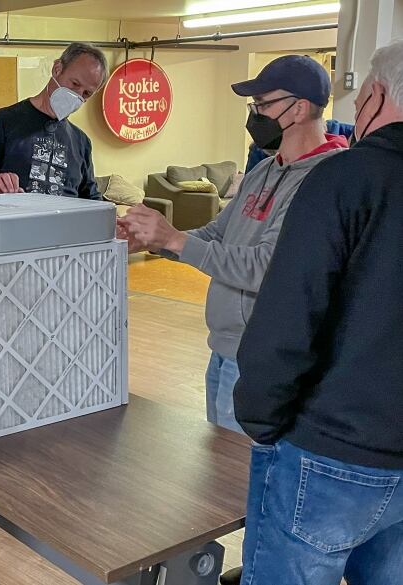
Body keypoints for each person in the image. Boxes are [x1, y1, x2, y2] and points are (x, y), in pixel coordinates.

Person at [232, 39, 403, 585]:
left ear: (375, 94)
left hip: (331, 452)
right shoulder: (267, 173)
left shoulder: (344, 178)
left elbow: (289, 317)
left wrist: (262, 420)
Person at [117, 55, 347, 435]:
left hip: (263, 357)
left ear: (300, 108)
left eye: (264, 105)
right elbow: (216, 235)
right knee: (219, 468)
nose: (255, 115)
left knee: (237, 474)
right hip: (224, 349)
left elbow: (264, 268)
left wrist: (173, 238)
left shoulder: (324, 181)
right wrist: (152, 241)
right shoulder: (264, 170)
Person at [0, 42, 106, 199]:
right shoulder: (3, 122)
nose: (77, 95)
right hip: (13, 221)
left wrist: (113, 218)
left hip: (64, 223)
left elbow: (92, 200)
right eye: (74, 84)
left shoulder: (81, 142)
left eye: (86, 93)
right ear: (57, 69)